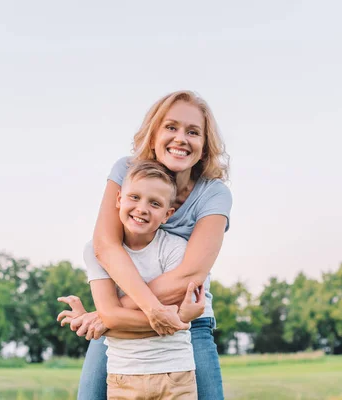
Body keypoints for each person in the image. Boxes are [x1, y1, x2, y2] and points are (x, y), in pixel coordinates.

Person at [58, 90, 231, 400]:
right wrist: (140, 311)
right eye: (171, 127)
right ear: (153, 135)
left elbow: (189, 274)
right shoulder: (126, 171)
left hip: (188, 319)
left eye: (193, 132)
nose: (181, 138)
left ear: (204, 147)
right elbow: (106, 246)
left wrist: (106, 313)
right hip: (122, 327)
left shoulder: (214, 194)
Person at [82, 160, 207, 399]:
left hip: (175, 373)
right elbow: (111, 317)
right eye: (134, 197)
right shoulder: (95, 251)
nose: (142, 208)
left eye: (155, 203)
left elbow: (113, 320)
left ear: (167, 214)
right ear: (118, 199)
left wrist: (113, 323)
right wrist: (179, 320)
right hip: (123, 376)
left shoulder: (176, 250)